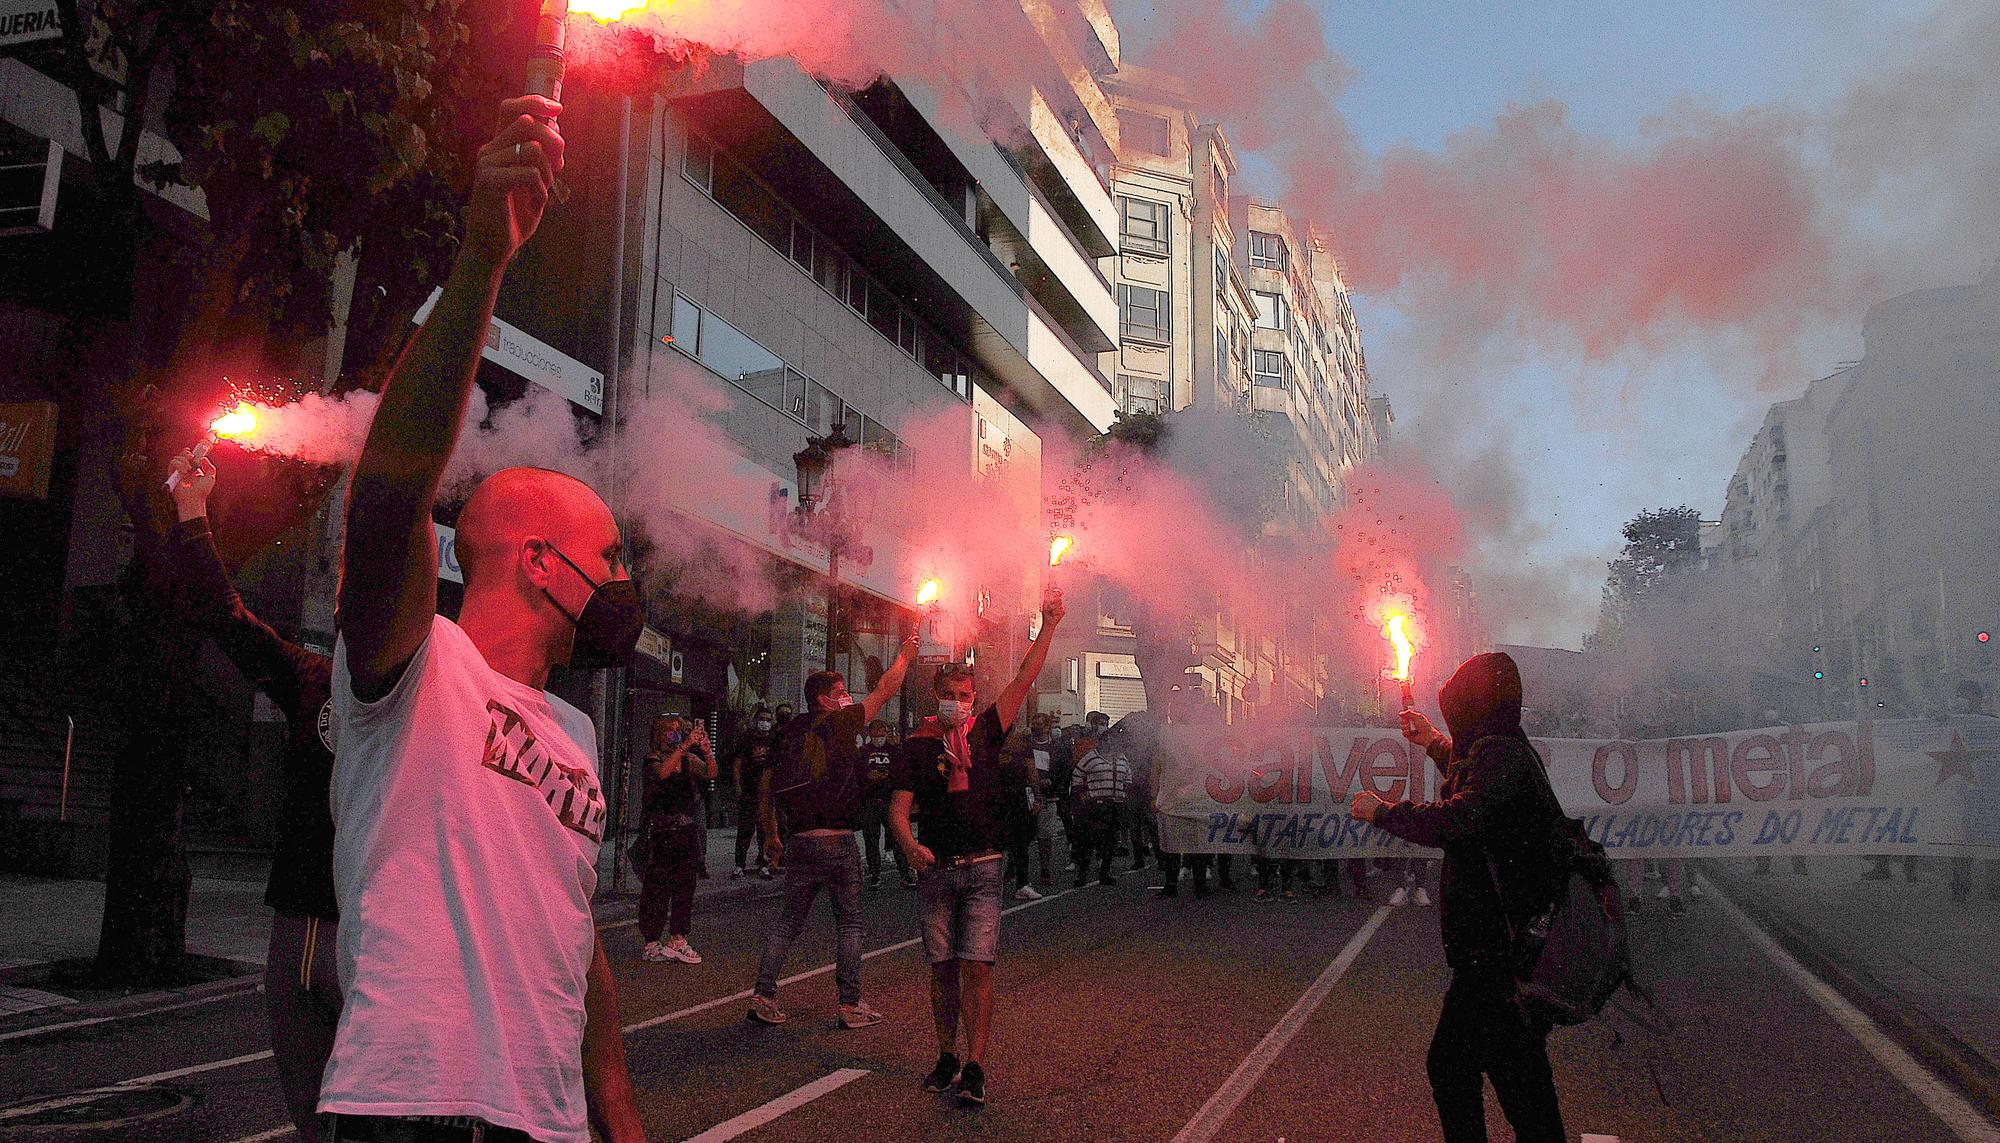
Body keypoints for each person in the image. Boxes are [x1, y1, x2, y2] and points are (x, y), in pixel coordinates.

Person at [322, 96, 644, 1143]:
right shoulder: (416, 674)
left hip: (542, 1126)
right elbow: (384, 501)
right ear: (545, 569)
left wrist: (614, 1107)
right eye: (610, 561)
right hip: (414, 1116)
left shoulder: (581, 738)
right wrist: (480, 266)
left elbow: (573, 942)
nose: (625, 583)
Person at [166, 452, 340, 1143]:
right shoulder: (312, 679)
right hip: (304, 921)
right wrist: (190, 511)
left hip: (386, 932)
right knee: (316, 1117)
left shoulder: (435, 693)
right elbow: (225, 614)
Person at [1350, 652, 1570, 1143]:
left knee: (1455, 1067)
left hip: (1498, 950)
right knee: (1517, 1077)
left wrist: (1385, 813)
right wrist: (1432, 743)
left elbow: (1461, 817)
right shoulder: (1503, 749)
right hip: (1501, 948)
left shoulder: (1503, 756)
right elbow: (1473, 781)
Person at [890, 591, 1066, 1108]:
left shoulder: (986, 731)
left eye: (966, 694)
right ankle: (947, 1055)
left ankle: (976, 1064)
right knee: (941, 968)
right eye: (951, 693)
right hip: (937, 869)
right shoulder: (919, 746)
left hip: (984, 866)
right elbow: (898, 810)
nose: (959, 701)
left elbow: (1024, 678)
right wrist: (908, 846)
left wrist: (1049, 625)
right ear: (937, 696)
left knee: (978, 967)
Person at [748, 637, 918, 1030]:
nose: (847, 697)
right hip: (837, 842)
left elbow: (766, 788)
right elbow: (885, 690)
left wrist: (771, 835)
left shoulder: (787, 731)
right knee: (850, 924)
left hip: (801, 842)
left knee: (787, 923)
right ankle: (850, 1003)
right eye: (840, 692)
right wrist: (906, 655)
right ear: (823, 699)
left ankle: (763, 994)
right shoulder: (842, 722)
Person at [638, 715, 713, 964]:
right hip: (661, 832)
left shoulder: (689, 760)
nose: (675, 734)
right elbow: (662, 774)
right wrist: (682, 748)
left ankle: (678, 938)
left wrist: (706, 751)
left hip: (685, 831)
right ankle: (651, 941)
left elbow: (711, 773)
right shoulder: (654, 759)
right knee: (657, 887)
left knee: (685, 887)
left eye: (679, 730)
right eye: (669, 731)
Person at [1067, 730, 1128, 888]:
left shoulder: (1121, 758)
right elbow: (1077, 774)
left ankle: (1105, 873)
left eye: (1112, 740)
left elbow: (1128, 778)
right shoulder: (1091, 757)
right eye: (1106, 740)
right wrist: (1081, 794)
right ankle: (1082, 874)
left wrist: (1124, 793)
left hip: (1115, 804)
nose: (1109, 743)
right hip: (1095, 805)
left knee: (1109, 841)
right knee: (1088, 841)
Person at [857, 718, 912, 889]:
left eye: (882, 733)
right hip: (870, 801)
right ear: (870, 734)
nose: (879, 737)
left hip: (890, 801)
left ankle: (905, 874)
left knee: (898, 839)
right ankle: (875, 875)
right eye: (876, 734)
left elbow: (902, 774)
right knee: (871, 841)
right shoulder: (863, 752)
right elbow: (858, 776)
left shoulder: (895, 751)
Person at [730, 705, 778, 879]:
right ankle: (739, 865)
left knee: (765, 830)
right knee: (745, 829)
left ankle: (764, 864)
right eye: (762, 719)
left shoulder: (774, 740)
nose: (765, 723)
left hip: (767, 792)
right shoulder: (747, 739)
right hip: (749, 790)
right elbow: (737, 763)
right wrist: (738, 786)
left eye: (768, 719)